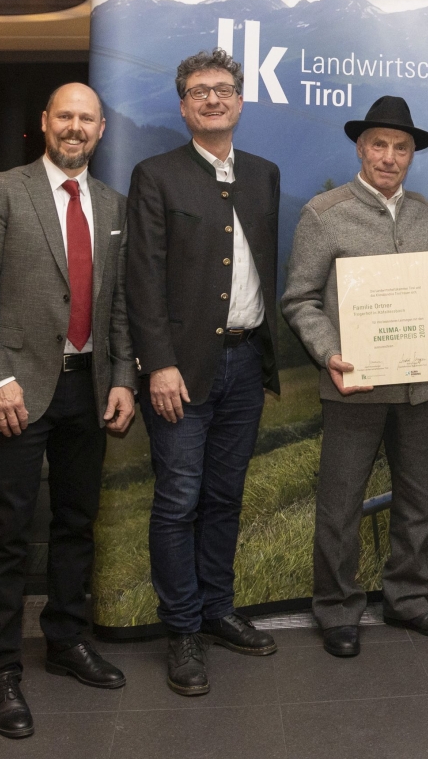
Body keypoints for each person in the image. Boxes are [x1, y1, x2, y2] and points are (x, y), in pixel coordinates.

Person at [0, 82, 136, 739]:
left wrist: (122, 379)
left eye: (87, 118)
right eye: (65, 116)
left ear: (102, 129)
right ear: (45, 123)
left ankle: (65, 642)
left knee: (76, 525)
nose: (75, 127)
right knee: (4, 535)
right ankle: (1, 670)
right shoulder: (1, 191)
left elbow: (116, 305)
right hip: (18, 392)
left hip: (88, 390)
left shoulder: (113, 205)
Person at [126, 49, 281, 696]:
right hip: (181, 372)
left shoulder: (265, 174)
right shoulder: (155, 175)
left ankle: (218, 610)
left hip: (247, 362)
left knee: (224, 496)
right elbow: (142, 277)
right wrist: (157, 364)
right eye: (199, 91)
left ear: (240, 101)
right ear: (185, 105)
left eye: (223, 89)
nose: (212, 99)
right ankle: (182, 629)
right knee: (177, 500)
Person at [282, 95, 428, 658]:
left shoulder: (426, 215)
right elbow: (299, 299)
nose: (389, 156)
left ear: (412, 155)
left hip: (416, 384)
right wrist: (329, 351)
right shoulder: (324, 213)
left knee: (417, 498)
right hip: (353, 381)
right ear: (361, 148)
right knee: (340, 503)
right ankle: (336, 608)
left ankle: (409, 598)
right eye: (378, 144)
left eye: (400, 147)